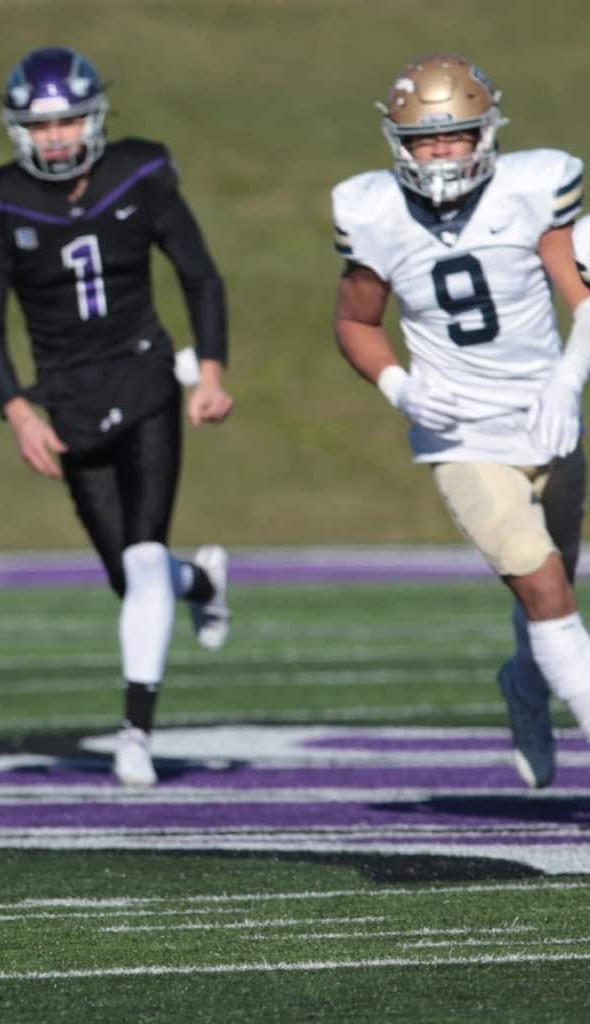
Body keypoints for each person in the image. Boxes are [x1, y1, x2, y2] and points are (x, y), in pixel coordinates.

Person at [0, 46, 234, 789]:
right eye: (41, 127)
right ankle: (203, 584)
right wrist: (17, 411)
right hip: (68, 399)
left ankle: (134, 735)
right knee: (130, 578)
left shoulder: (139, 170)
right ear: (20, 130)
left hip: (145, 375)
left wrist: (210, 368)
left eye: (68, 123)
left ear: (94, 118)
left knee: (144, 565)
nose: (56, 139)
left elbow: (199, 272)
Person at [331, 52, 590, 788]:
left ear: (487, 133)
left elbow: (583, 298)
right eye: (424, 140)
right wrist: (401, 391)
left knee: (554, 589)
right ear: (398, 144)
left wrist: (568, 381)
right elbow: (355, 321)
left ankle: (525, 687)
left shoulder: (531, 190)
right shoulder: (373, 212)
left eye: (455, 136)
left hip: (545, 418)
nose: (441, 153)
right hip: (460, 431)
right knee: (543, 588)